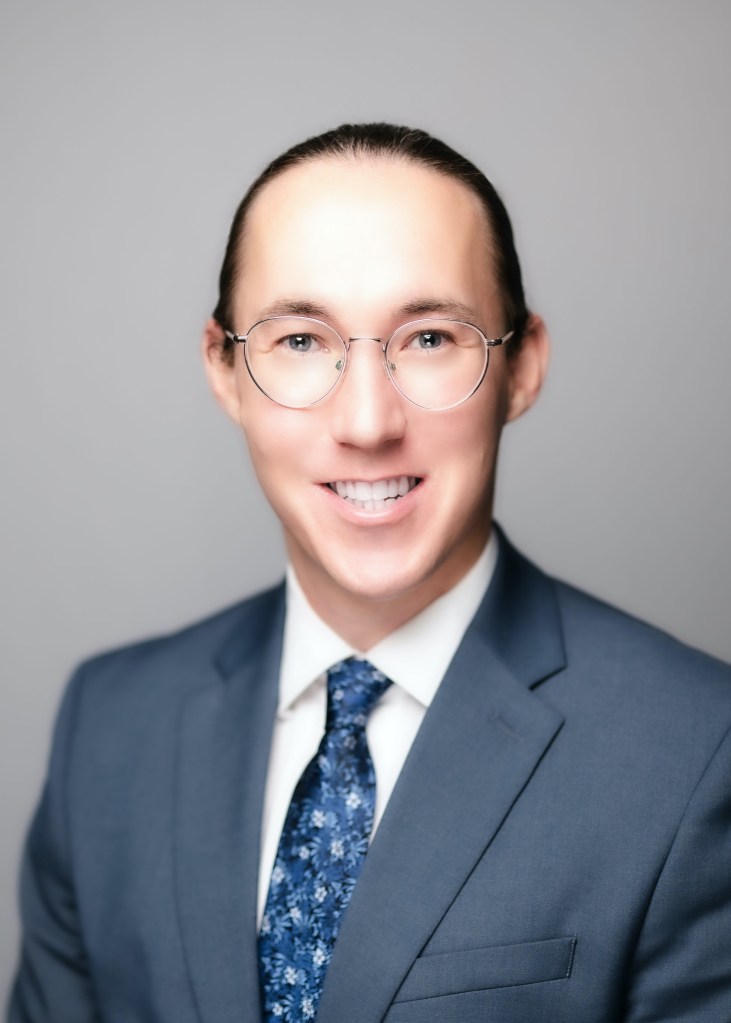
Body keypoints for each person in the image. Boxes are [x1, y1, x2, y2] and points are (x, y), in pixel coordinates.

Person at [8, 123, 731, 1023]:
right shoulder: (109, 729)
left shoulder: (697, 750)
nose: (365, 420)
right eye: (301, 340)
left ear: (523, 367)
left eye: (429, 337)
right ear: (224, 368)